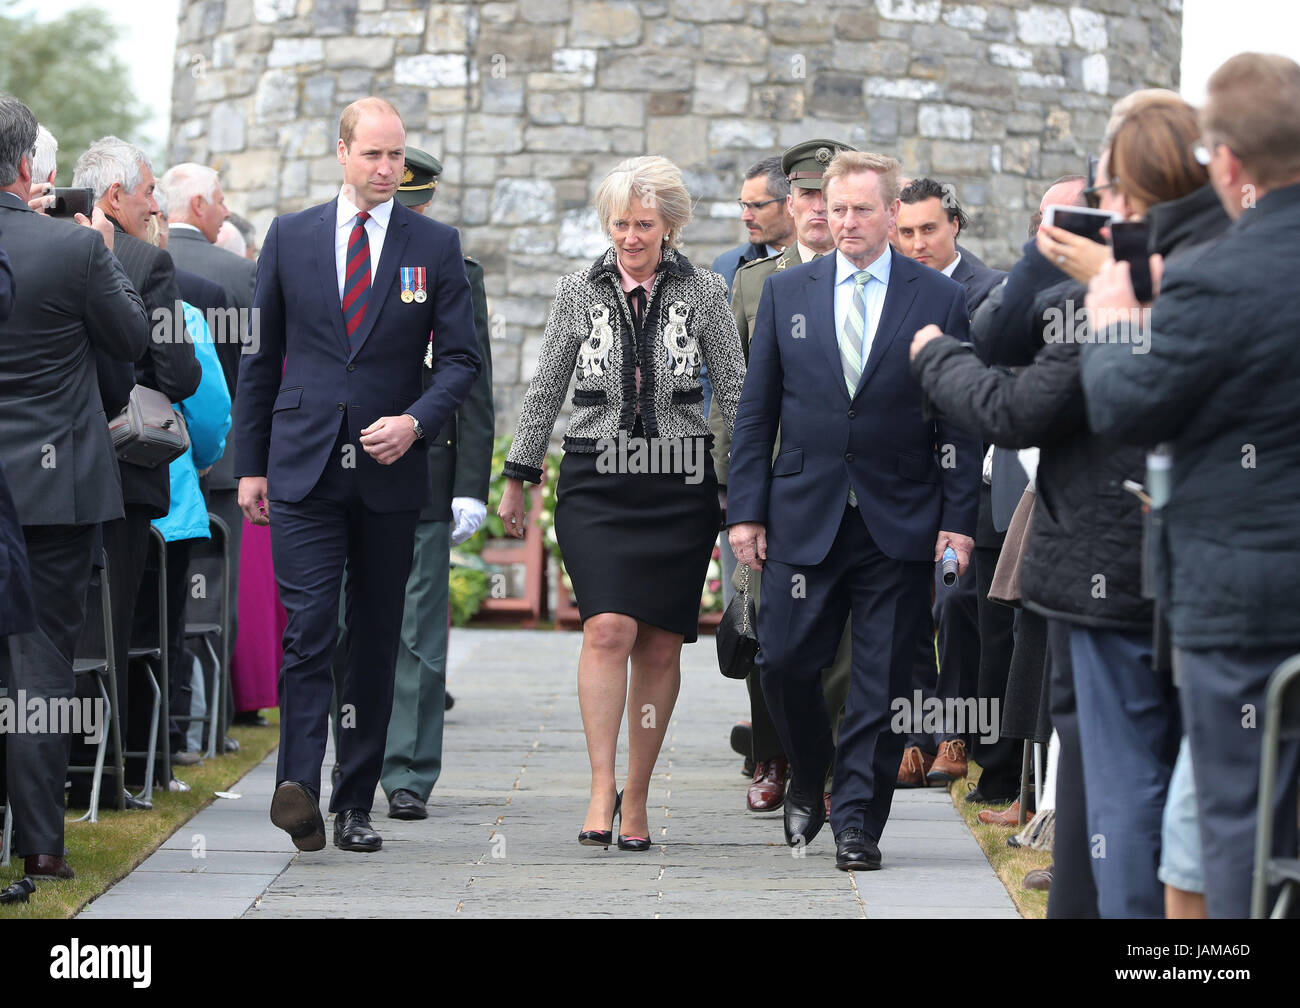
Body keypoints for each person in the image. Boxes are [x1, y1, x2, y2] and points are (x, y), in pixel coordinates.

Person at [915, 95, 1230, 917]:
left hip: (1119, 551)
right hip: (1178, 559)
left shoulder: (1136, 284)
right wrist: (1054, 256)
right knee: (1182, 780)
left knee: (1117, 778)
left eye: (1111, 193)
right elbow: (1006, 334)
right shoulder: (1217, 253)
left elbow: (1025, 404)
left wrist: (933, 355)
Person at [1081, 52, 1300, 918]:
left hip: (1244, 601)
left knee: (1239, 825)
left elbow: (1129, 408)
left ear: (1230, 164)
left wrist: (1117, 322)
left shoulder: (1219, 275)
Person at [235, 96, 480, 854]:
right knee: (310, 630)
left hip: (389, 474)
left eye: (396, 155)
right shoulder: (291, 236)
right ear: (341, 153)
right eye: (372, 154)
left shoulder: (433, 245)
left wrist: (416, 420)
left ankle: (354, 804)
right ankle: (299, 789)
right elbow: (259, 357)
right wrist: (249, 466)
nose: (386, 168)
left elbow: (463, 360)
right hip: (303, 468)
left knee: (375, 639)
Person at [727, 150, 979, 871]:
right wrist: (745, 511)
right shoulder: (788, 294)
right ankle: (809, 770)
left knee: (881, 681)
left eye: (862, 209)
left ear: (891, 211)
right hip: (802, 514)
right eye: (835, 209)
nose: (845, 222)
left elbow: (958, 424)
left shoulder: (936, 297)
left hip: (898, 520)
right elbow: (756, 411)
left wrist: (957, 522)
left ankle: (858, 824)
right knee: (784, 664)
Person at [498, 155, 745, 851]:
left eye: (643, 225)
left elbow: (737, 391)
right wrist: (519, 473)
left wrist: (752, 483)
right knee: (608, 628)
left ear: (670, 226)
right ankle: (599, 786)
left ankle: (637, 798)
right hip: (596, 479)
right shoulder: (580, 287)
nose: (630, 237)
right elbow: (546, 382)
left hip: (679, 482)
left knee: (662, 640)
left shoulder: (705, 291)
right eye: (619, 224)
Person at [0, 95, 150, 879]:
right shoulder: (74, 250)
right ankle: (41, 843)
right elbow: (133, 339)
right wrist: (97, 244)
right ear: (29, 168)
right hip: (53, 494)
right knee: (40, 665)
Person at [329, 145, 495, 822]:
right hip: (335, 469)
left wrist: (470, 481)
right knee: (337, 626)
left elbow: (472, 380)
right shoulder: (326, 254)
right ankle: (348, 762)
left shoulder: (451, 266)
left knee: (416, 636)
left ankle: (408, 771)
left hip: (421, 470)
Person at [712, 138, 857, 816]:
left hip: (853, 493)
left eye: (825, 195)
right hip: (773, 493)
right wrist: (736, 495)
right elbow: (739, 403)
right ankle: (771, 754)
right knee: (766, 627)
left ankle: (825, 769)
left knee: (848, 641)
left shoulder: (873, 279)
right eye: (802, 195)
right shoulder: (755, 283)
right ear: (792, 204)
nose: (815, 208)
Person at [69, 135, 202, 808]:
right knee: (116, 623)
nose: (157, 204)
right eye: (149, 191)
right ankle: (110, 774)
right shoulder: (147, 261)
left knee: (54, 625)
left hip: (52, 470)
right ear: (114, 195)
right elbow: (180, 370)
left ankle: (53, 770)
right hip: (124, 466)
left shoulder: (44, 243)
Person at [894, 177, 1009, 788]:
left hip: (977, 478)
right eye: (906, 231)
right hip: (907, 478)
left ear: (955, 225)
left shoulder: (991, 293)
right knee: (908, 606)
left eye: (929, 229)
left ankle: (954, 732)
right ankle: (915, 735)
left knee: (960, 602)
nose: (917, 243)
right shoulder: (893, 290)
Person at [158, 162, 258, 725]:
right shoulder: (237, 274)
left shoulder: (122, 258)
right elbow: (251, 375)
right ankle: (212, 717)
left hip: (153, 455)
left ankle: (169, 720)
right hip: (221, 458)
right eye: (219, 201)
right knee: (215, 596)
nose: (225, 213)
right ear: (197, 204)